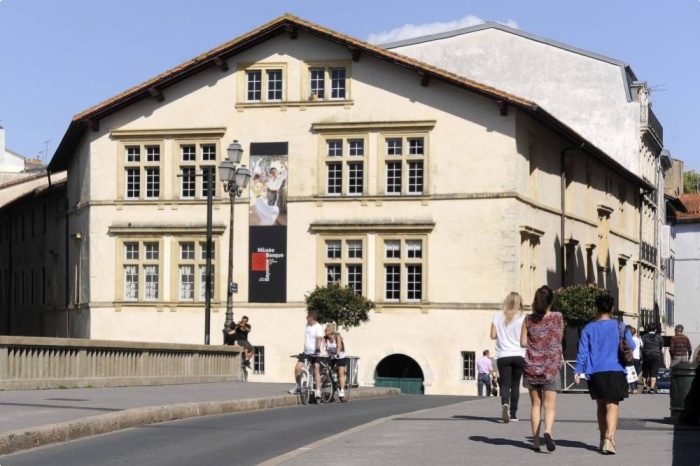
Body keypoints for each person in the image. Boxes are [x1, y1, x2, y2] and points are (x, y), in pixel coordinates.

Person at [574, 295, 635, 455]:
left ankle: (602, 438)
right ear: (612, 309)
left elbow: (582, 352)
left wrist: (577, 371)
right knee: (612, 406)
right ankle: (610, 438)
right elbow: (633, 345)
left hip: (595, 372)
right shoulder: (620, 326)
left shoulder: (589, 328)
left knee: (601, 406)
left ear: (597, 309)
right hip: (616, 370)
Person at [520, 285, 563, 452]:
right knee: (550, 406)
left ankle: (536, 442)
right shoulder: (558, 317)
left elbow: (523, 342)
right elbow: (559, 338)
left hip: (532, 366)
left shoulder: (528, 320)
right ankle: (548, 431)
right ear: (551, 301)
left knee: (535, 405)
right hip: (551, 367)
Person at [491, 292, 526, 423]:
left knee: (505, 384)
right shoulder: (523, 318)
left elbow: (493, 335)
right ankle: (513, 413)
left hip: (503, 354)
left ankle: (505, 403)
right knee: (515, 385)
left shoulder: (497, 317)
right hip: (519, 354)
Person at [289, 310, 324, 400]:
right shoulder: (307, 325)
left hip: (316, 353)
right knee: (298, 368)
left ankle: (318, 391)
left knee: (316, 369)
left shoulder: (318, 327)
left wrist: (317, 348)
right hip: (306, 352)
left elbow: (319, 338)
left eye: (307, 316)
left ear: (311, 318)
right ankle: (298, 387)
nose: (306, 318)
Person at [324, 324, 348, 399]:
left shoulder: (337, 336)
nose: (325, 331)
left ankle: (342, 390)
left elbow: (339, 347)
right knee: (328, 370)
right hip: (331, 356)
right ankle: (332, 384)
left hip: (340, 356)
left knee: (341, 372)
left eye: (326, 330)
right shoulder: (325, 338)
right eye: (325, 330)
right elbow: (322, 346)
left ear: (331, 331)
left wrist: (337, 354)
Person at [640, 323, 663, 394]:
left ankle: (644, 388)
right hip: (656, 356)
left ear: (648, 329)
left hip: (647, 355)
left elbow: (642, 346)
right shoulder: (659, 337)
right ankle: (652, 388)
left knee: (645, 371)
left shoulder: (644, 337)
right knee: (654, 372)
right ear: (655, 329)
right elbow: (661, 346)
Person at [627, 325, 642, 394]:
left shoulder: (629, 339)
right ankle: (635, 387)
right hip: (637, 357)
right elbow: (641, 348)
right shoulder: (638, 339)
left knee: (629, 372)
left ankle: (631, 388)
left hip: (630, 357)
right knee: (635, 372)